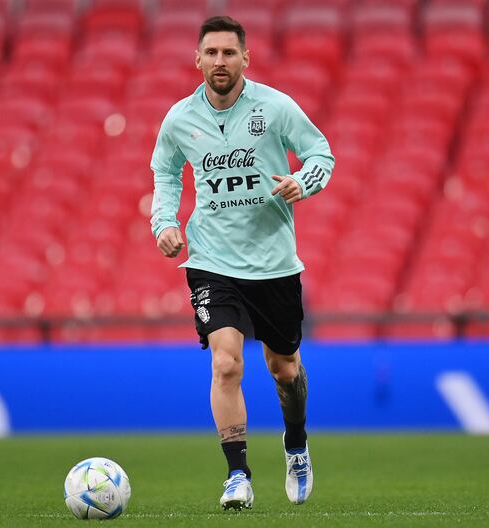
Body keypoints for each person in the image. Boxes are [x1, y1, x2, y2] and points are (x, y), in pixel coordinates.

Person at [149, 15, 335, 510]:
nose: (220, 62)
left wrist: (304, 181)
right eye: (211, 53)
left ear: (245, 58)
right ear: (198, 59)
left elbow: (321, 153)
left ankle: (295, 444)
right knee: (226, 363)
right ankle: (238, 475)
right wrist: (164, 223)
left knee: (284, 369)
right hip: (211, 260)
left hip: (274, 264)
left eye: (229, 53)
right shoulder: (179, 119)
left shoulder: (275, 108)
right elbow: (166, 175)